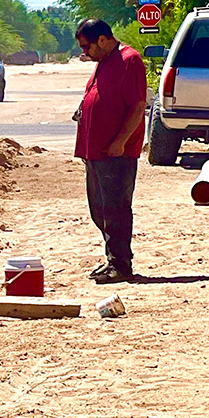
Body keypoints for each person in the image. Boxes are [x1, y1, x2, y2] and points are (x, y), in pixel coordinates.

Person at [74, 18, 148, 284]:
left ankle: (121, 264)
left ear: (103, 40)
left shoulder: (130, 60)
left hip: (116, 153)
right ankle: (111, 260)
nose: (84, 52)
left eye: (87, 47)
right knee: (100, 210)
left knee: (116, 209)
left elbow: (138, 106)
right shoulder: (103, 62)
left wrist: (120, 142)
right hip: (95, 152)